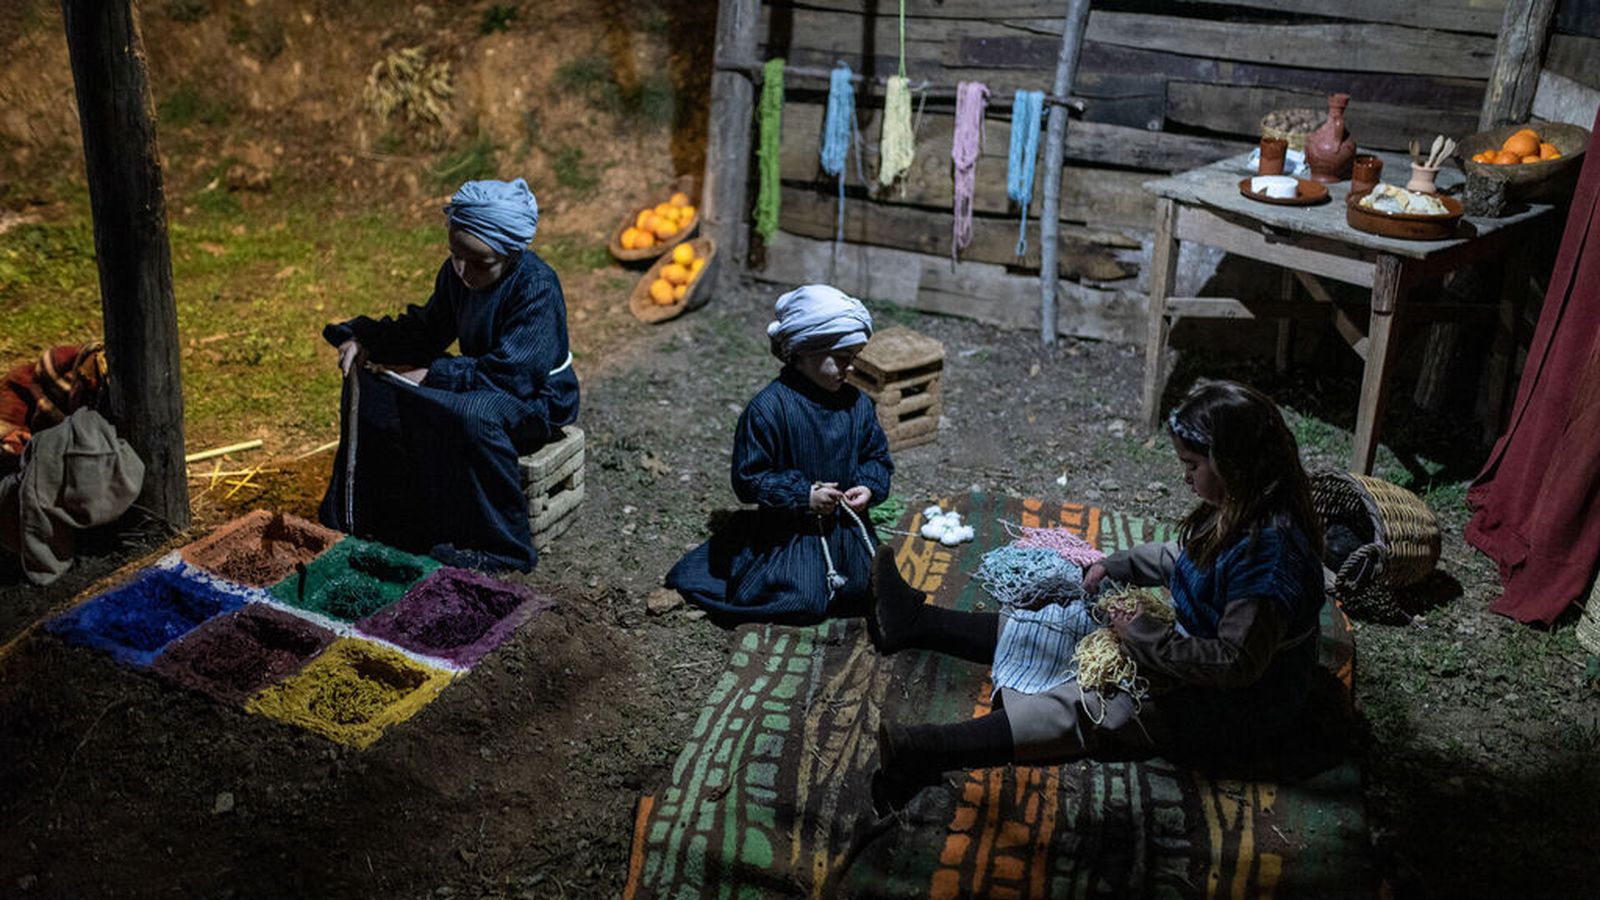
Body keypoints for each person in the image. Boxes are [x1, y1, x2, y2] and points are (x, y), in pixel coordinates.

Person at [867, 380, 1326, 815]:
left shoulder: (1268, 553)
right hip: (1191, 643)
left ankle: (926, 749)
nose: (1185, 476)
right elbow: (1187, 557)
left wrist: (1144, 638)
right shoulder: (1242, 504)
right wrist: (1119, 565)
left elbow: (1234, 662)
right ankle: (913, 623)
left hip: (1233, 704)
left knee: (1098, 703)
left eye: (1192, 465)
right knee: (1064, 624)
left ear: (1233, 463)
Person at [318, 178, 578, 572]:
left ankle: (501, 547)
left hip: (536, 397)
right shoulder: (458, 275)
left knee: (472, 415)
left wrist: (432, 374)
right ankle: (389, 515)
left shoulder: (536, 287)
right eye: (455, 255)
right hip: (490, 382)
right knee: (380, 382)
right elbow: (426, 329)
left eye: (478, 263)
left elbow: (514, 375)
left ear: (510, 253)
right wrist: (368, 340)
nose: (463, 272)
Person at [664, 284, 894, 624]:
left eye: (854, 359)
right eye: (842, 360)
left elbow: (876, 457)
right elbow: (749, 479)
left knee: (868, 588)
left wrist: (868, 487)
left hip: (843, 527)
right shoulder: (769, 409)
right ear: (803, 353)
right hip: (790, 531)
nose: (850, 370)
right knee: (803, 599)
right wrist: (803, 495)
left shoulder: (857, 404)